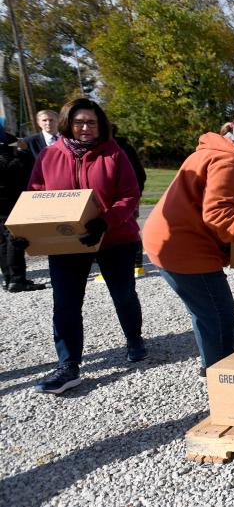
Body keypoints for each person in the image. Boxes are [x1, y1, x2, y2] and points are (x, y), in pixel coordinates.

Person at [143, 107, 234, 374]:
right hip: (183, 248)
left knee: (209, 311)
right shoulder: (228, 161)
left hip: (180, 241)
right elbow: (217, 213)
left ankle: (211, 367)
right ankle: (220, 374)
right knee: (218, 313)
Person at [27, 98, 146, 394]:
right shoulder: (49, 155)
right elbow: (35, 195)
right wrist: (30, 229)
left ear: (100, 124)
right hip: (68, 242)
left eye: (91, 122)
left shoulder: (114, 154)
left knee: (123, 294)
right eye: (79, 122)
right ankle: (68, 365)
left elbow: (130, 197)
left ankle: (134, 339)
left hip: (114, 238)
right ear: (68, 123)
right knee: (65, 304)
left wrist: (105, 221)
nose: (85, 128)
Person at [0, 134, 44, 292]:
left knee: (3, 242)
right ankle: (17, 279)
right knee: (15, 240)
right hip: (13, 205)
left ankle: (7, 279)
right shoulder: (16, 161)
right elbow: (32, 167)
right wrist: (24, 151)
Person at [111, 124, 147, 277]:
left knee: (130, 229)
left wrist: (134, 194)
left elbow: (139, 173)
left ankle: (136, 264)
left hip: (127, 197)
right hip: (108, 200)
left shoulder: (123, 148)